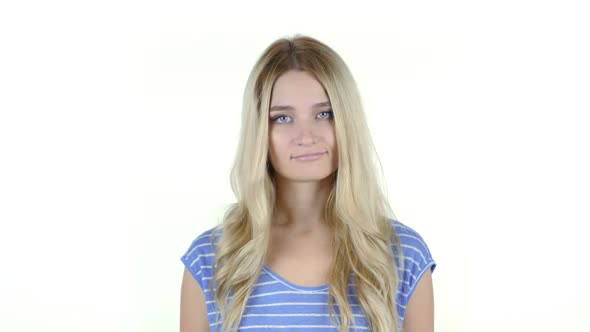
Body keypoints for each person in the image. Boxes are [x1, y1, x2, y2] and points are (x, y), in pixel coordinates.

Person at [180, 34, 436, 332]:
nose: (306, 136)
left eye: (324, 114)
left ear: (347, 122)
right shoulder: (211, 259)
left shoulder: (403, 256)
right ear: (259, 130)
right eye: (283, 118)